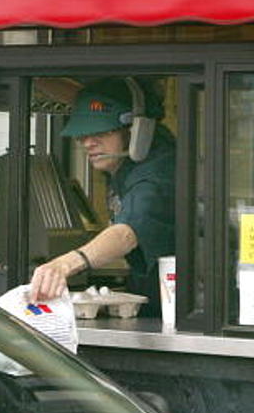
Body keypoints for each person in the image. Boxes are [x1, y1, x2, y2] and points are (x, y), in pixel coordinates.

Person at [29, 77, 175, 313]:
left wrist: (64, 265)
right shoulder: (128, 151)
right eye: (82, 135)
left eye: (100, 133)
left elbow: (126, 234)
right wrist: (29, 73)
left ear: (134, 129)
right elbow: (82, 100)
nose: (88, 143)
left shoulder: (157, 173)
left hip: (178, 303)